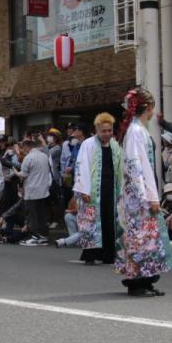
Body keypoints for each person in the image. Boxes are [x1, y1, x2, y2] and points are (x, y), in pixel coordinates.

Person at [115, 88, 172, 296]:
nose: (152, 114)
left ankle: (145, 280)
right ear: (148, 108)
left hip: (137, 194)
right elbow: (137, 166)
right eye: (151, 110)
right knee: (141, 238)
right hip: (139, 197)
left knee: (145, 238)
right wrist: (147, 195)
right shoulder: (137, 131)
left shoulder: (135, 130)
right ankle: (138, 281)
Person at [73, 112, 123, 264]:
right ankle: (91, 255)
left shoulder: (115, 145)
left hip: (111, 188)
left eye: (110, 130)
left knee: (109, 220)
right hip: (93, 190)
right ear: (97, 130)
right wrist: (84, 190)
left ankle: (108, 254)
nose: (107, 134)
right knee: (92, 221)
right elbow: (82, 167)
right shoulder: (88, 144)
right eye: (104, 131)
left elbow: (121, 167)